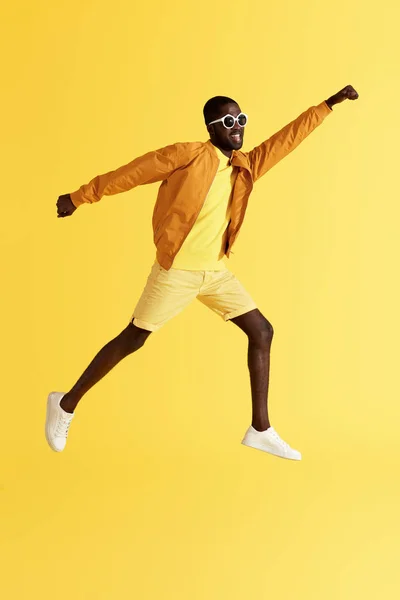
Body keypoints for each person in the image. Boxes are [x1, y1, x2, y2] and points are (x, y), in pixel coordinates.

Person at [46, 85, 359, 459]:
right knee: (133, 338)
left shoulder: (245, 165)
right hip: (176, 272)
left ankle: (260, 428)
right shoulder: (187, 155)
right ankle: (65, 404)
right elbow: (132, 173)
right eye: (228, 121)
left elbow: (285, 140)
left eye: (241, 119)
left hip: (216, 273)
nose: (237, 127)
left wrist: (328, 105)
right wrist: (80, 197)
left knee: (262, 331)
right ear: (211, 127)